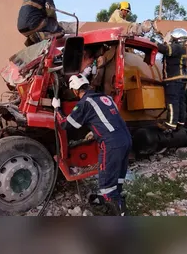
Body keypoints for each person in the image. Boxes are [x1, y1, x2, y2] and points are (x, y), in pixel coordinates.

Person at [51, 74, 132, 216]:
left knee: (105, 179)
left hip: (111, 143)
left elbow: (65, 124)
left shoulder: (85, 103)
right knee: (117, 174)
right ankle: (114, 195)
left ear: (75, 91)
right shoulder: (106, 98)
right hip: (126, 139)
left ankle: (118, 210)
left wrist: (57, 109)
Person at [150, 28, 187, 131]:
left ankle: (170, 124)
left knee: (172, 101)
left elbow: (165, 49)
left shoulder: (177, 47)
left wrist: (152, 41)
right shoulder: (182, 48)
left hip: (174, 79)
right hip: (182, 79)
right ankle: (180, 122)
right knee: (180, 101)